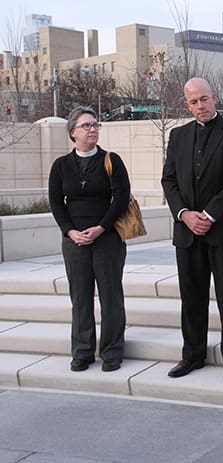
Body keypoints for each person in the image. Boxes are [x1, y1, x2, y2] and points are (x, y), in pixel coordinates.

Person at [162, 77, 223, 382]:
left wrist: (210, 214)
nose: (199, 106)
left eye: (203, 99)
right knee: (191, 296)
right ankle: (193, 355)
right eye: (193, 102)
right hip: (187, 231)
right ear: (186, 105)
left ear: (214, 97)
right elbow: (169, 181)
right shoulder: (178, 136)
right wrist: (185, 214)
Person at [48, 106, 130, 373]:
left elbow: (121, 198)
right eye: (86, 125)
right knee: (81, 297)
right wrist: (70, 232)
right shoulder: (61, 166)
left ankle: (112, 352)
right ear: (73, 132)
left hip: (107, 238)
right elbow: (56, 203)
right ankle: (82, 351)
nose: (92, 129)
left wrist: (100, 228)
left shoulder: (111, 160)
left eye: (95, 125)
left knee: (111, 296)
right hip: (75, 241)